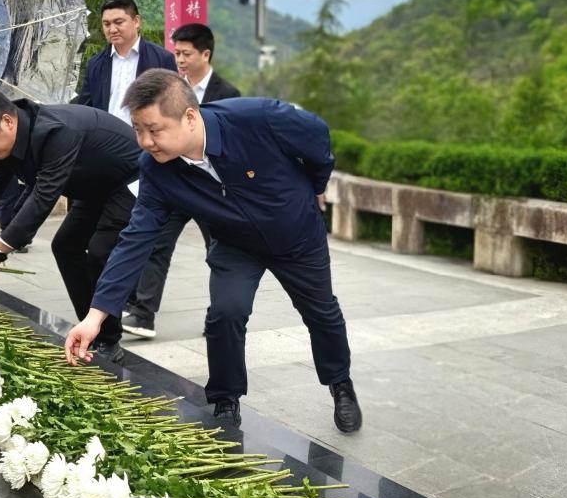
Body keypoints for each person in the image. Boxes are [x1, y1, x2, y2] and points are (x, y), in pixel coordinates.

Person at [63, 70, 362, 434]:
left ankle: (340, 384)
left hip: (296, 236)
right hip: (235, 243)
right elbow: (135, 238)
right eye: (138, 130)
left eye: (154, 130)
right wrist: (95, 317)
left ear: (189, 117)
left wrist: (315, 185)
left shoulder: (257, 119)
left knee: (321, 312)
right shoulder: (156, 169)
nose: (145, 141)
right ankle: (225, 400)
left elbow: (316, 134)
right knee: (225, 313)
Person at [0, 89, 142, 361]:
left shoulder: (56, 132)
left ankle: (108, 341)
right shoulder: (11, 138)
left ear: (7, 121)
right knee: (65, 246)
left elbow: (43, 197)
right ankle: (91, 331)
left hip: (130, 181)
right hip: (94, 187)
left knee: (101, 252)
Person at [122, 23, 241, 339]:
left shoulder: (228, 94)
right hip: (174, 183)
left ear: (205, 54)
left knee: (219, 252)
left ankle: (217, 317)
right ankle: (143, 314)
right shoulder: (167, 90)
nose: (180, 60)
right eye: (177, 53)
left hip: (211, 189)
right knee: (157, 245)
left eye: (186, 54)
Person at [74, 0, 176, 124]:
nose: (112, 30)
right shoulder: (95, 64)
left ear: (136, 21)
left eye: (118, 22)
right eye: (106, 24)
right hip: (106, 134)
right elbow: (86, 110)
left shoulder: (162, 59)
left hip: (146, 134)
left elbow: (172, 107)